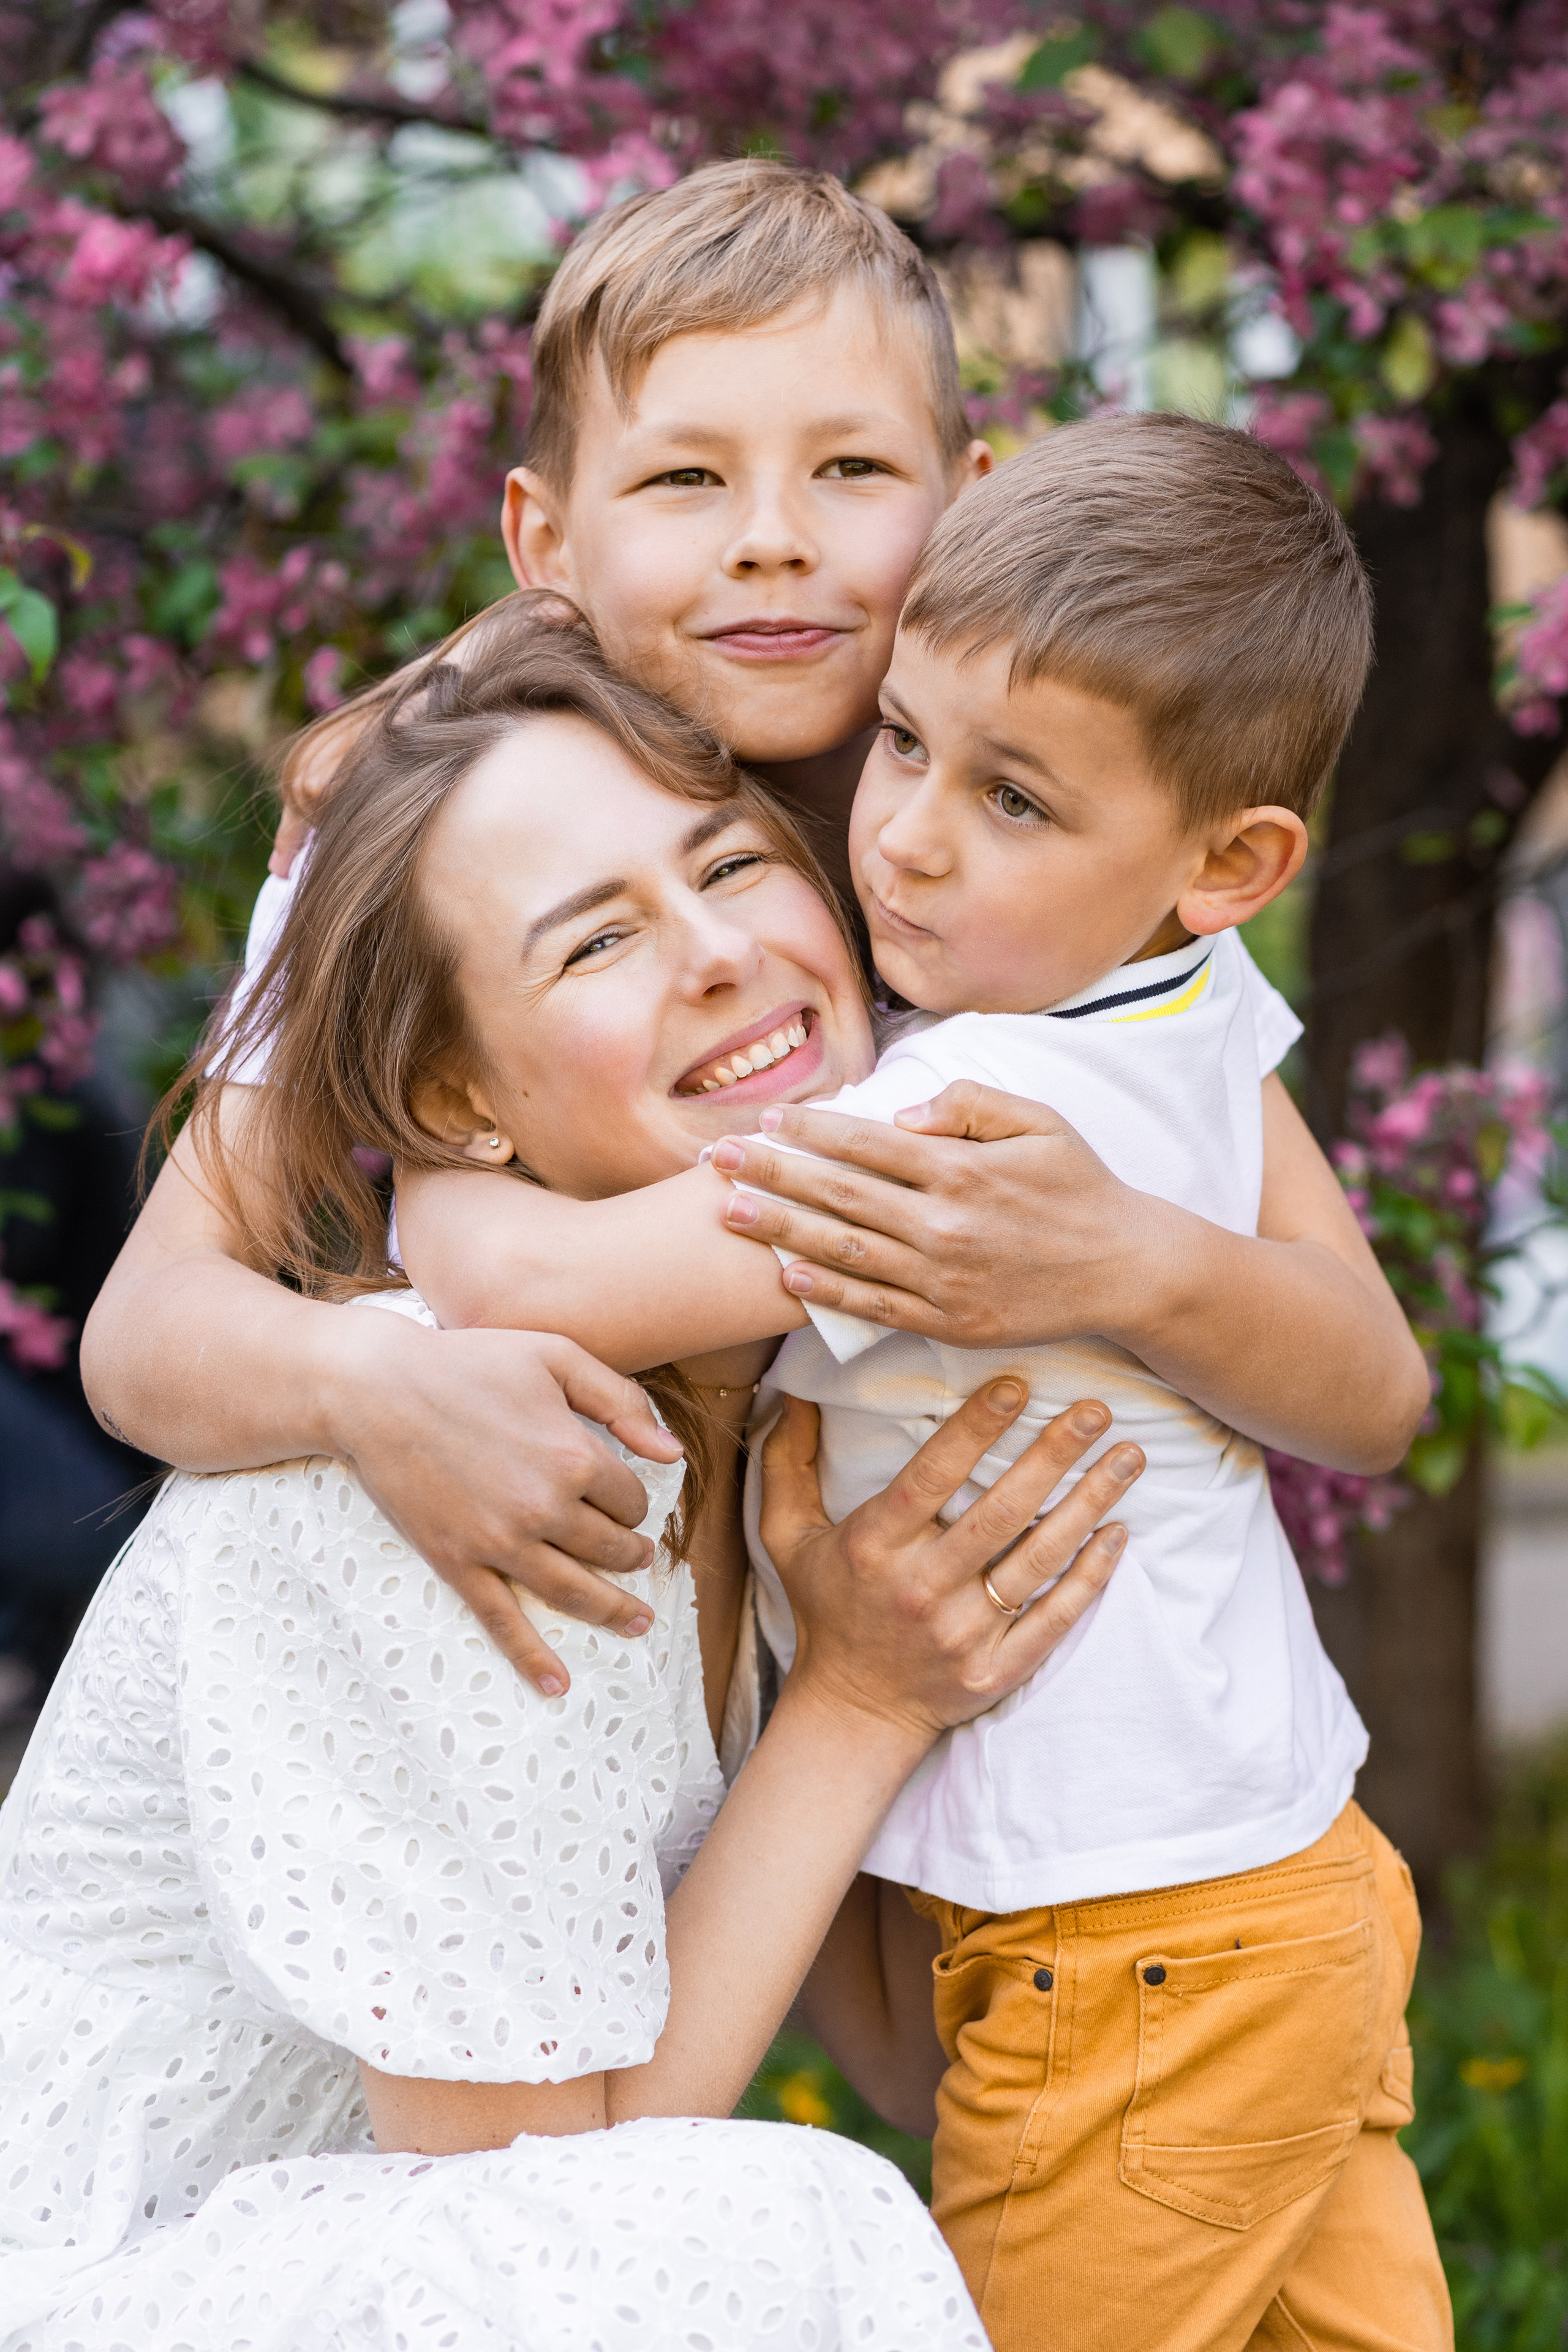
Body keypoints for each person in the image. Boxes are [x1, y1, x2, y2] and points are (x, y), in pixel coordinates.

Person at [81, 161, 1425, 1708]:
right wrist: (370, 1376)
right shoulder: (439, 827)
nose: (773, 540)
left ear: (966, 502)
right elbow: (147, 1329)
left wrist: (1127, 1262)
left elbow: (1371, 1386)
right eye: (683, 480)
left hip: (962, 1728)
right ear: (546, 541)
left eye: (851, 469)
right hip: (616, 1647)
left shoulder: (1055, 859)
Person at [386, 418, 1447, 2352]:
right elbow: (1374, 1382)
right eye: (901, 742)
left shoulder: (964, 1125)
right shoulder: (1168, 1002)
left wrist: (430, 1172)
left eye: (1017, 801)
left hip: (1130, 1955)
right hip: (1279, 1890)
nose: (910, 837)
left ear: (1232, 863)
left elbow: (537, 1281)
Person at [0, 618, 1143, 2351]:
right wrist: (857, 1701)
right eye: (599, 940)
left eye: (733, 864)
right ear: (458, 1099)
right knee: (758, 2222)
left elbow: (910, 2065)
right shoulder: (442, 1466)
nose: (714, 955)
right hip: (118, 2280)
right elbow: (549, 2222)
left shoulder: (771, 1433)